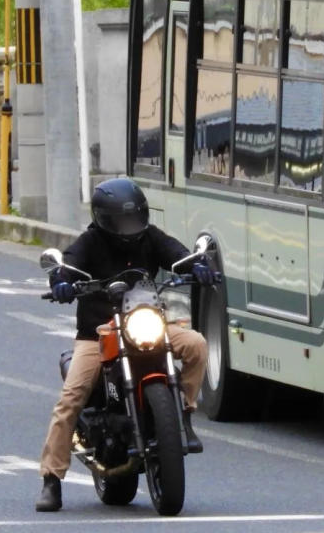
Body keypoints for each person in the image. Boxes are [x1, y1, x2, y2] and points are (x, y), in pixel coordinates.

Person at [35, 178, 215, 513]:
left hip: (146, 324)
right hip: (99, 332)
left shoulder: (151, 236)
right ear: (104, 219)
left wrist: (198, 265)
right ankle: (51, 479)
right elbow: (69, 264)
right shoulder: (90, 241)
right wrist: (61, 281)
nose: (129, 227)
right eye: (121, 220)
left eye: (133, 218)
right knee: (70, 398)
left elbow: (177, 254)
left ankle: (185, 415)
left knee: (196, 344)